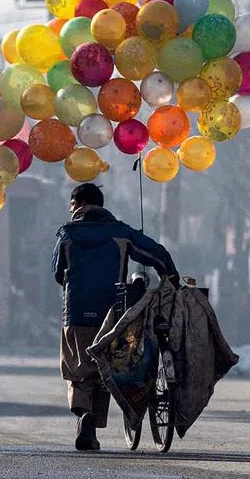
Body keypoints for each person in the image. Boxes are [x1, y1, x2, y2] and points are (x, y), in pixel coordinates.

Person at [51, 183, 179, 452]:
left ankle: (84, 416)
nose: (70, 208)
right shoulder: (121, 232)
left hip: (76, 311)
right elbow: (158, 254)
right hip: (114, 313)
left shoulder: (67, 234)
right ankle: (93, 425)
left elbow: (57, 271)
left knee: (79, 369)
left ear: (79, 203)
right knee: (105, 364)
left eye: (72, 204)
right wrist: (172, 279)